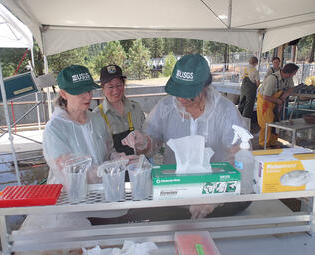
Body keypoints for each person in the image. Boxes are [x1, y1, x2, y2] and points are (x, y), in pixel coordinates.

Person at [121, 54, 250, 219]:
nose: (181, 98)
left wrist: (214, 196)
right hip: (174, 191)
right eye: (178, 91)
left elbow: (239, 157)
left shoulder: (225, 112)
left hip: (216, 195)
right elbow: (151, 142)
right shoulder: (166, 107)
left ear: (205, 86)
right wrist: (142, 141)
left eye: (188, 93)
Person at [22, 65, 126, 232]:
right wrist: (104, 170)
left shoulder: (97, 119)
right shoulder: (55, 129)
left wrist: (117, 158)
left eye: (90, 91)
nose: (87, 96)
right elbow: (70, 175)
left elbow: (108, 152)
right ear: (63, 94)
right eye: (80, 93)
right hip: (68, 203)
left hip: (100, 196)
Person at [93, 64, 145, 155]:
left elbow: (147, 135)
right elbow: (98, 150)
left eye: (119, 85)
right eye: (110, 87)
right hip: (114, 167)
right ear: (103, 88)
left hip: (140, 163)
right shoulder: (96, 115)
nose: (116, 91)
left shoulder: (135, 107)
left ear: (124, 85)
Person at [257, 63, 299, 148]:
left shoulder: (288, 78)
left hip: (275, 101)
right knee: (267, 123)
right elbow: (265, 96)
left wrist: (283, 97)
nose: (295, 75)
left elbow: (291, 88)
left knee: (276, 122)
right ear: (289, 73)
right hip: (265, 102)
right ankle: (264, 144)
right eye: (294, 73)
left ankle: (273, 142)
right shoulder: (272, 79)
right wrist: (278, 101)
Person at [238, 56, 260, 120]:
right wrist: (255, 88)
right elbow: (258, 82)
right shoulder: (255, 70)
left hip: (243, 87)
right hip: (251, 89)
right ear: (256, 63)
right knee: (249, 106)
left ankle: (238, 119)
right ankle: (245, 122)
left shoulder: (243, 69)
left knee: (241, 103)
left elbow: (241, 78)